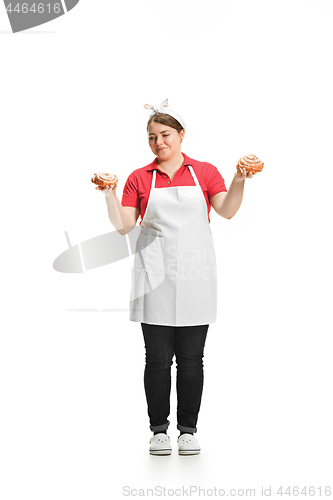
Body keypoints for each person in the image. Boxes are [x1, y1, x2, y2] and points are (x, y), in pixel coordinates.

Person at [100, 99, 256, 456]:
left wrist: (239, 180)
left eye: (165, 135)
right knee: (155, 359)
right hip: (152, 275)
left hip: (195, 275)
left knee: (191, 359)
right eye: (152, 137)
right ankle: (158, 430)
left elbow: (227, 211)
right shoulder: (140, 178)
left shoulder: (204, 172)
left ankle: (188, 430)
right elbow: (124, 226)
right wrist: (109, 194)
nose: (159, 143)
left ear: (182, 135)